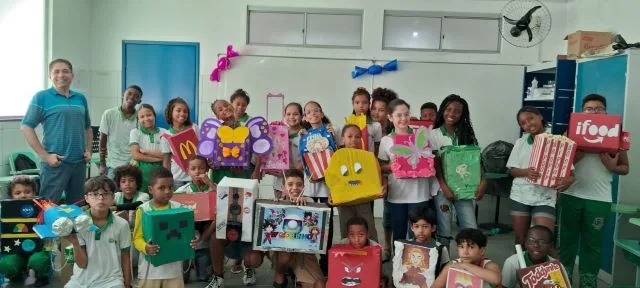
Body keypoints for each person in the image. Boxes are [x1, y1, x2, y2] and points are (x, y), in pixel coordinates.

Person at [558, 94, 630, 288]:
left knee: (592, 246)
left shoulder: (615, 133)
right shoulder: (571, 132)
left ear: (605, 111)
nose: (594, 112)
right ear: (582, 111)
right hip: (571, 195)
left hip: (599, 199)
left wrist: (612, 166)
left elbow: (625, 168)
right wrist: (575, 157)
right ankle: (562, 282)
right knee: (566, 242)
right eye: (589, 108)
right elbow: (557, 163)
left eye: (599, 108)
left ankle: (588, 284)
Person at [206, 99, 264, 287]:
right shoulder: (213, 131)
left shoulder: (246, 128)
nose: (226, 110)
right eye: (221, 109)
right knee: (220, 227)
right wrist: (210, 162)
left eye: (227, 107)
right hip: (222, 182)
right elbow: (206, 154)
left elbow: (260, 149)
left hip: (244, 180)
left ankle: (249, 267)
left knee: (247, 223)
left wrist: (256, 170)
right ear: (216, 115)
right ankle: (218, 275)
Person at [21, 58, 92, 204]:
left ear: (72, 75)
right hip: (55, 164)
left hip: (79, 162)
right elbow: (26, 126)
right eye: (56, 71)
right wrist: (45, 156)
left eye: (65, 71)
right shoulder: (41, 97)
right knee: (48, 206)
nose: (61, 75)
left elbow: (88, 127)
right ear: (50, 76)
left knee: (77, 207)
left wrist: (89, 150)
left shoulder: (80, 98)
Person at [507, 106, 574, 246]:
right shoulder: (521, 143)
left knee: (544, 240)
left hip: (546, 197)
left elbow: (571, 173)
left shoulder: (558, 142)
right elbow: (512, 170)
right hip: (520, 195)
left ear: (540, 117)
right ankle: (521, 267)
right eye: (523, 123)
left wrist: (569, 180)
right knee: (521, 240)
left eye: (531, 118)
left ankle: (543, 268)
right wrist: (526, 172)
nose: (528, 124)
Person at [431, 94, 486, 247]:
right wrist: (444, 187)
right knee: (444, 230)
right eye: (448, 109)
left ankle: (469, 264)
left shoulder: (466, 134)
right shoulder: (433, 134)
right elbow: (436, 164)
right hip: (442, 191)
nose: (452, 114)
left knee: (470, 228)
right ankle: (444, 264)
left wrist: (483, 181)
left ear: (463, 114)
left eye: (457, 111)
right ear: (442, 110)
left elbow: (475, 162)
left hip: (465, 190)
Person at [132, 167, 198, 288]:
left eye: (170, 187)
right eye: (161, 188)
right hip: (150, 272)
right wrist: (145, 247)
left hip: (174, 273)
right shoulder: (143, 210)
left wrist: (193, 241)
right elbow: (136, 239)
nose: (167, 191)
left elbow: (188, 235)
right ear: (151, 189)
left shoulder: (179, 208)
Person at [378, 99, 431, 244]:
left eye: (406, 114)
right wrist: (392, 165)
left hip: (419, 193)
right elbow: (381, 167)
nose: (403, 119)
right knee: (399, 234)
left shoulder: (422, 134)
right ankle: (399, 264)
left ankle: (420, 264)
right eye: (398, 115)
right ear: (390, 117)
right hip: (397, 194)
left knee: (420, 234)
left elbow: (429, 158)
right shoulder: (386, 140)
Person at [64, 176, 132, 288]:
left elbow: (125, 257)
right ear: (86, 198)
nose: (101, 198)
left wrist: (127, 284)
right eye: (95, 194)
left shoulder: (122, 224)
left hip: (111, 281)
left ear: (113, 197)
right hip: (81, 281)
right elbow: (82, 264)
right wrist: (75, 243)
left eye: (106, 194)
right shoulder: (78, 224)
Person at [271, 169, 325, 288]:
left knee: (318, 285)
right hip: (281, 250)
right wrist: (275, 207)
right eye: (290, 184)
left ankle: (298, 275)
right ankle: (280, 272)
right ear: (283, 187)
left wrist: (306, 206)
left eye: (299, 185)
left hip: (303, 254)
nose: (295, 188)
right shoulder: (275, 202)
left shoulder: (310, 201)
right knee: (285, 254)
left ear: (304, 187)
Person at [335, 124, 384, 242]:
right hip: (344, 200)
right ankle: (347, 257)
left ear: (361, 139)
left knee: (369, 227)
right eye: (349, 136)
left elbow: (374, 175)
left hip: (363, 200)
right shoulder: (336, 157)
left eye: (357, 136)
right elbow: (333, 177)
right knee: (346, 228)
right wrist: (333, 194)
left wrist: (378, 189)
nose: (353, 139)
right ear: (342, 139)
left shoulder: (367, 157)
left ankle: (374, 255)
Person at [0, 176, 50, 287]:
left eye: (27, 191)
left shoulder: (43, 207)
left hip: (37, 249)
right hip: (15, 250)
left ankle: (41, 275)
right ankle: (17, 272)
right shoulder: (4, 210)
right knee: (7, 264)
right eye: (17, 193)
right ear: (11, 195)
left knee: (38, 261)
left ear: (34, 192)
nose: (23, 195)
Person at [370, 87, 398, 261]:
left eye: (381, 110)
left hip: (392, 180)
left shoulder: (395, 132)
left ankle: (391, 247)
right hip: (370, 177)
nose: (377, 113)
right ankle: (382, 247)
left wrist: (389, 168)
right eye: (374, 109)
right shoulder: (367, 128)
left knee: (390, 213)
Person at [432, 228, 502, 288]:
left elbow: (496, 279)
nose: (465, 252)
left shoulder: (488, 265)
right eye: (461, 247)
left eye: (471, 247)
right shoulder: (452, 265)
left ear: (482, 250)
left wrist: (464, 265)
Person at [99, 85, 143, 178]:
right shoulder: (109, 114)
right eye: (129, 93)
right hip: (113, 165)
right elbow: (102, 140)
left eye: (136, 96)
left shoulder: (140, 118)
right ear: (123, 94)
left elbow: (140, 144)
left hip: (132, 166)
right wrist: (102, 164)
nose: (131, 97)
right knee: (111, 191)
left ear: (139, 101)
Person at [129, 104, 168, 193]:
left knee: (160, 198)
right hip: (141, 173)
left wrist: (145, 152)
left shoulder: (164, 132)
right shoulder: (135, 132)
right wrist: (158, 158)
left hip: (160, 173)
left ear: (154, 115)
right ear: (138, 120)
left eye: (149, 115)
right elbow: (136, 156)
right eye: (142, 117)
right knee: (143, 200)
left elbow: (167, 155)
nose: (146, 119)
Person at [162, 97, 199, 189]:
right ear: (171, 113)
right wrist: (167, 180)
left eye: (185, 111)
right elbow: (166, 162)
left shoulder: (194, 127)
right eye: (178, 110)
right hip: (177, 179)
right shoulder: (166, 136)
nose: (182, 113)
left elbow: (201, 150)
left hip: (196, 176)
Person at [407, 205, 450, 274]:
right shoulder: (407, 246)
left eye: (425, 226)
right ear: (412, 227)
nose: (421, 230)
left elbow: (445, 273)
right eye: (416, 226)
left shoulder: (441, 249)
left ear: (433, 228)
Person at [350, 87, 383, 154]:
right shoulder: (348, 124)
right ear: (352, 104)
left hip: (369, 161)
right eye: (357, 102)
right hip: (351, 161)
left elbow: (377, 147)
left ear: (369, 104)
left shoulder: (376, 125)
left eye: (365, 102)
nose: (361, 105)